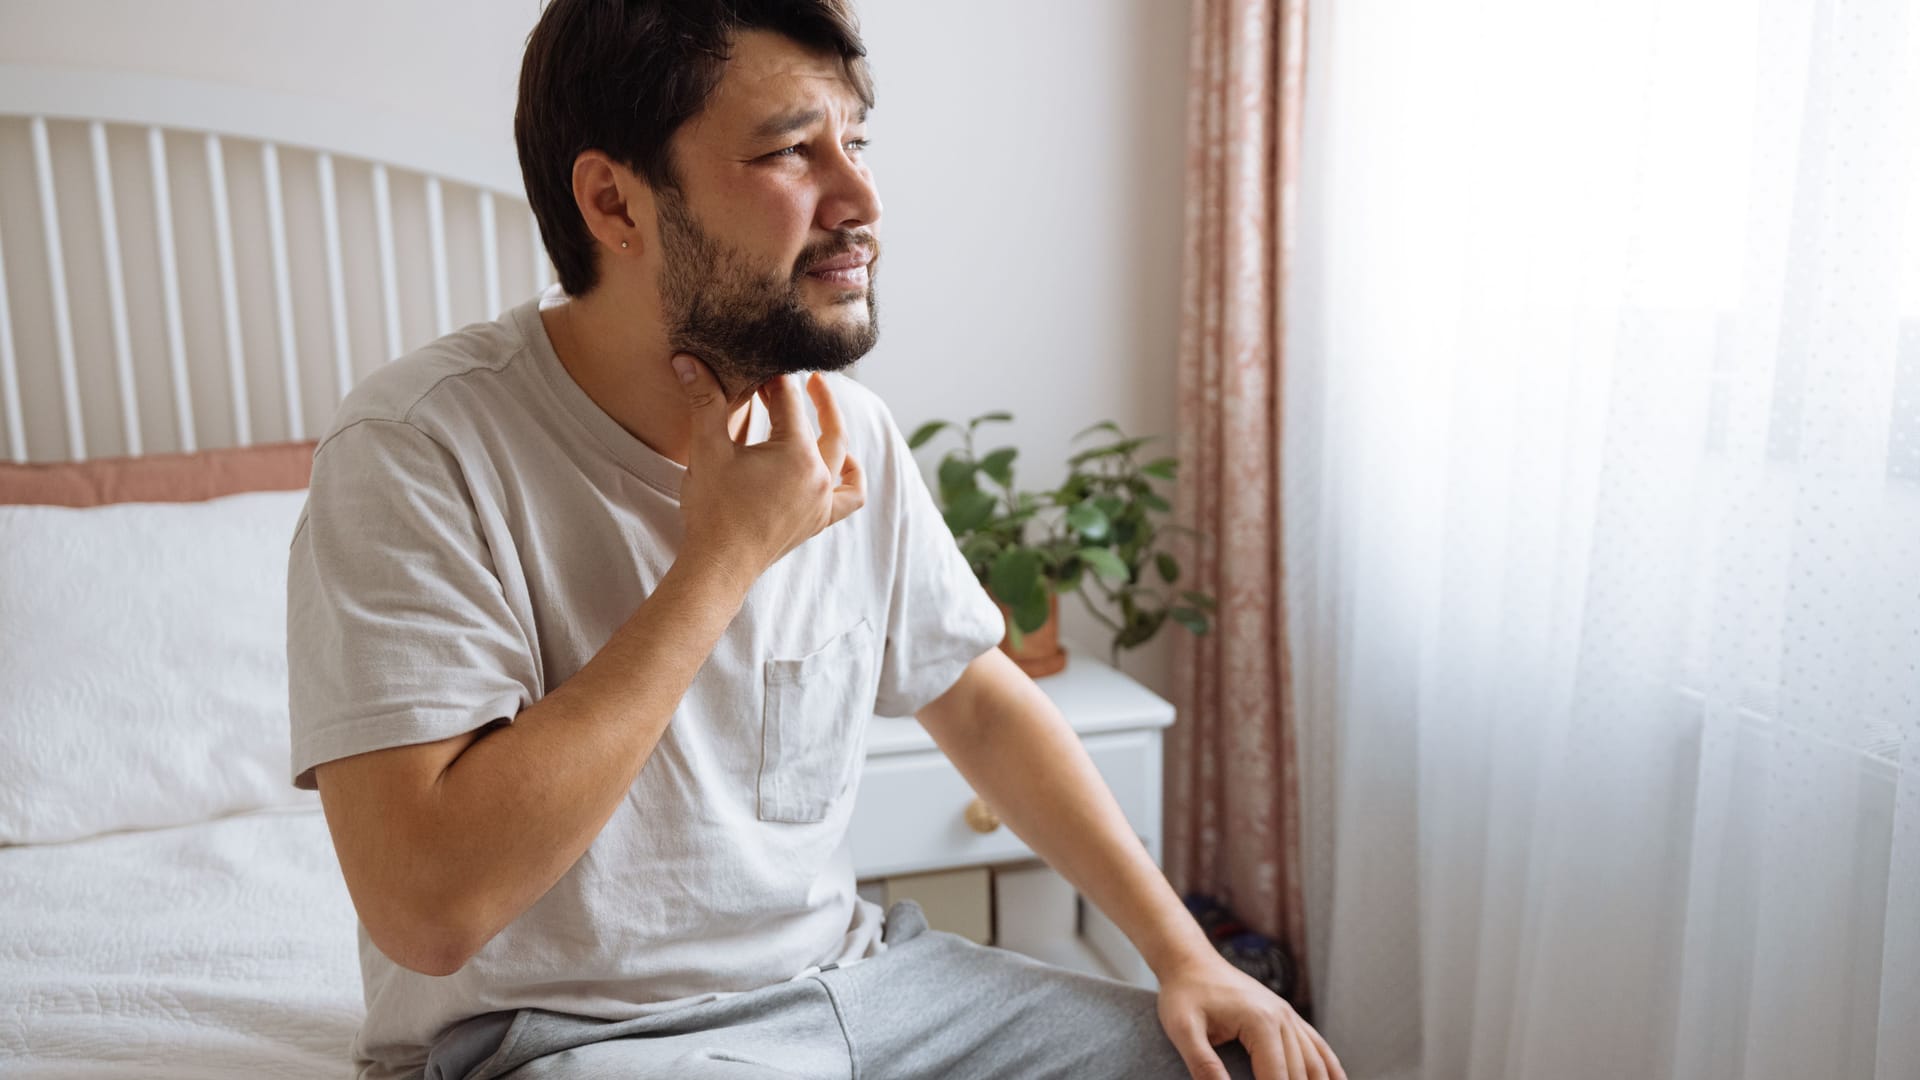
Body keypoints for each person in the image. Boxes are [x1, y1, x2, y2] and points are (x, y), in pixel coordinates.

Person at [286, 2, 1345, 1078]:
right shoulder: (416, 450)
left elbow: (976, 697)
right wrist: (722, 560)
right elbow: (427, 913)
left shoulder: (850, 432)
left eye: (857, 143)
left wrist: (1184, 954)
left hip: (860, 992)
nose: (864, 199)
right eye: (793, 150)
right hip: (578, 1040)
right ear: (614, 201)